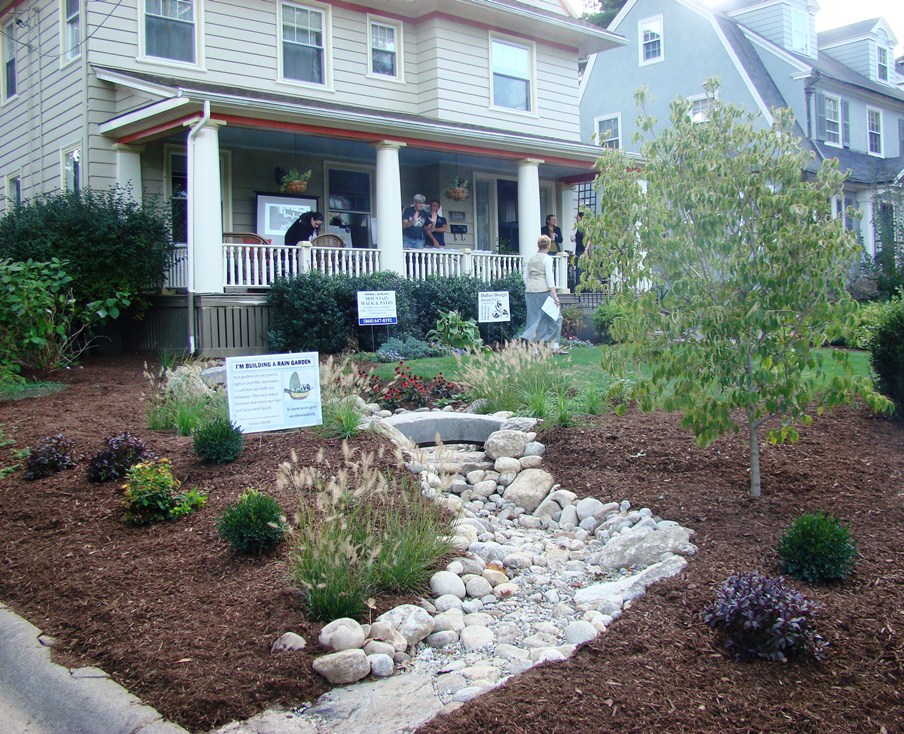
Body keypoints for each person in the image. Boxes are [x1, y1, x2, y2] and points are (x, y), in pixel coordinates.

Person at [520, 234, 567, 353]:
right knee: (556, 317)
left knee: (534, 319)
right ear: (549, 246)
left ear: (538, 245)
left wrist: (530, 286)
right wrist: (555, 296)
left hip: (530, 291)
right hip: (543, 291)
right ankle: (554, 345)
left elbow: (525, 276)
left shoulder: (531, 259)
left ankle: (534, 347)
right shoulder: (547, 259)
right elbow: (550, 278)